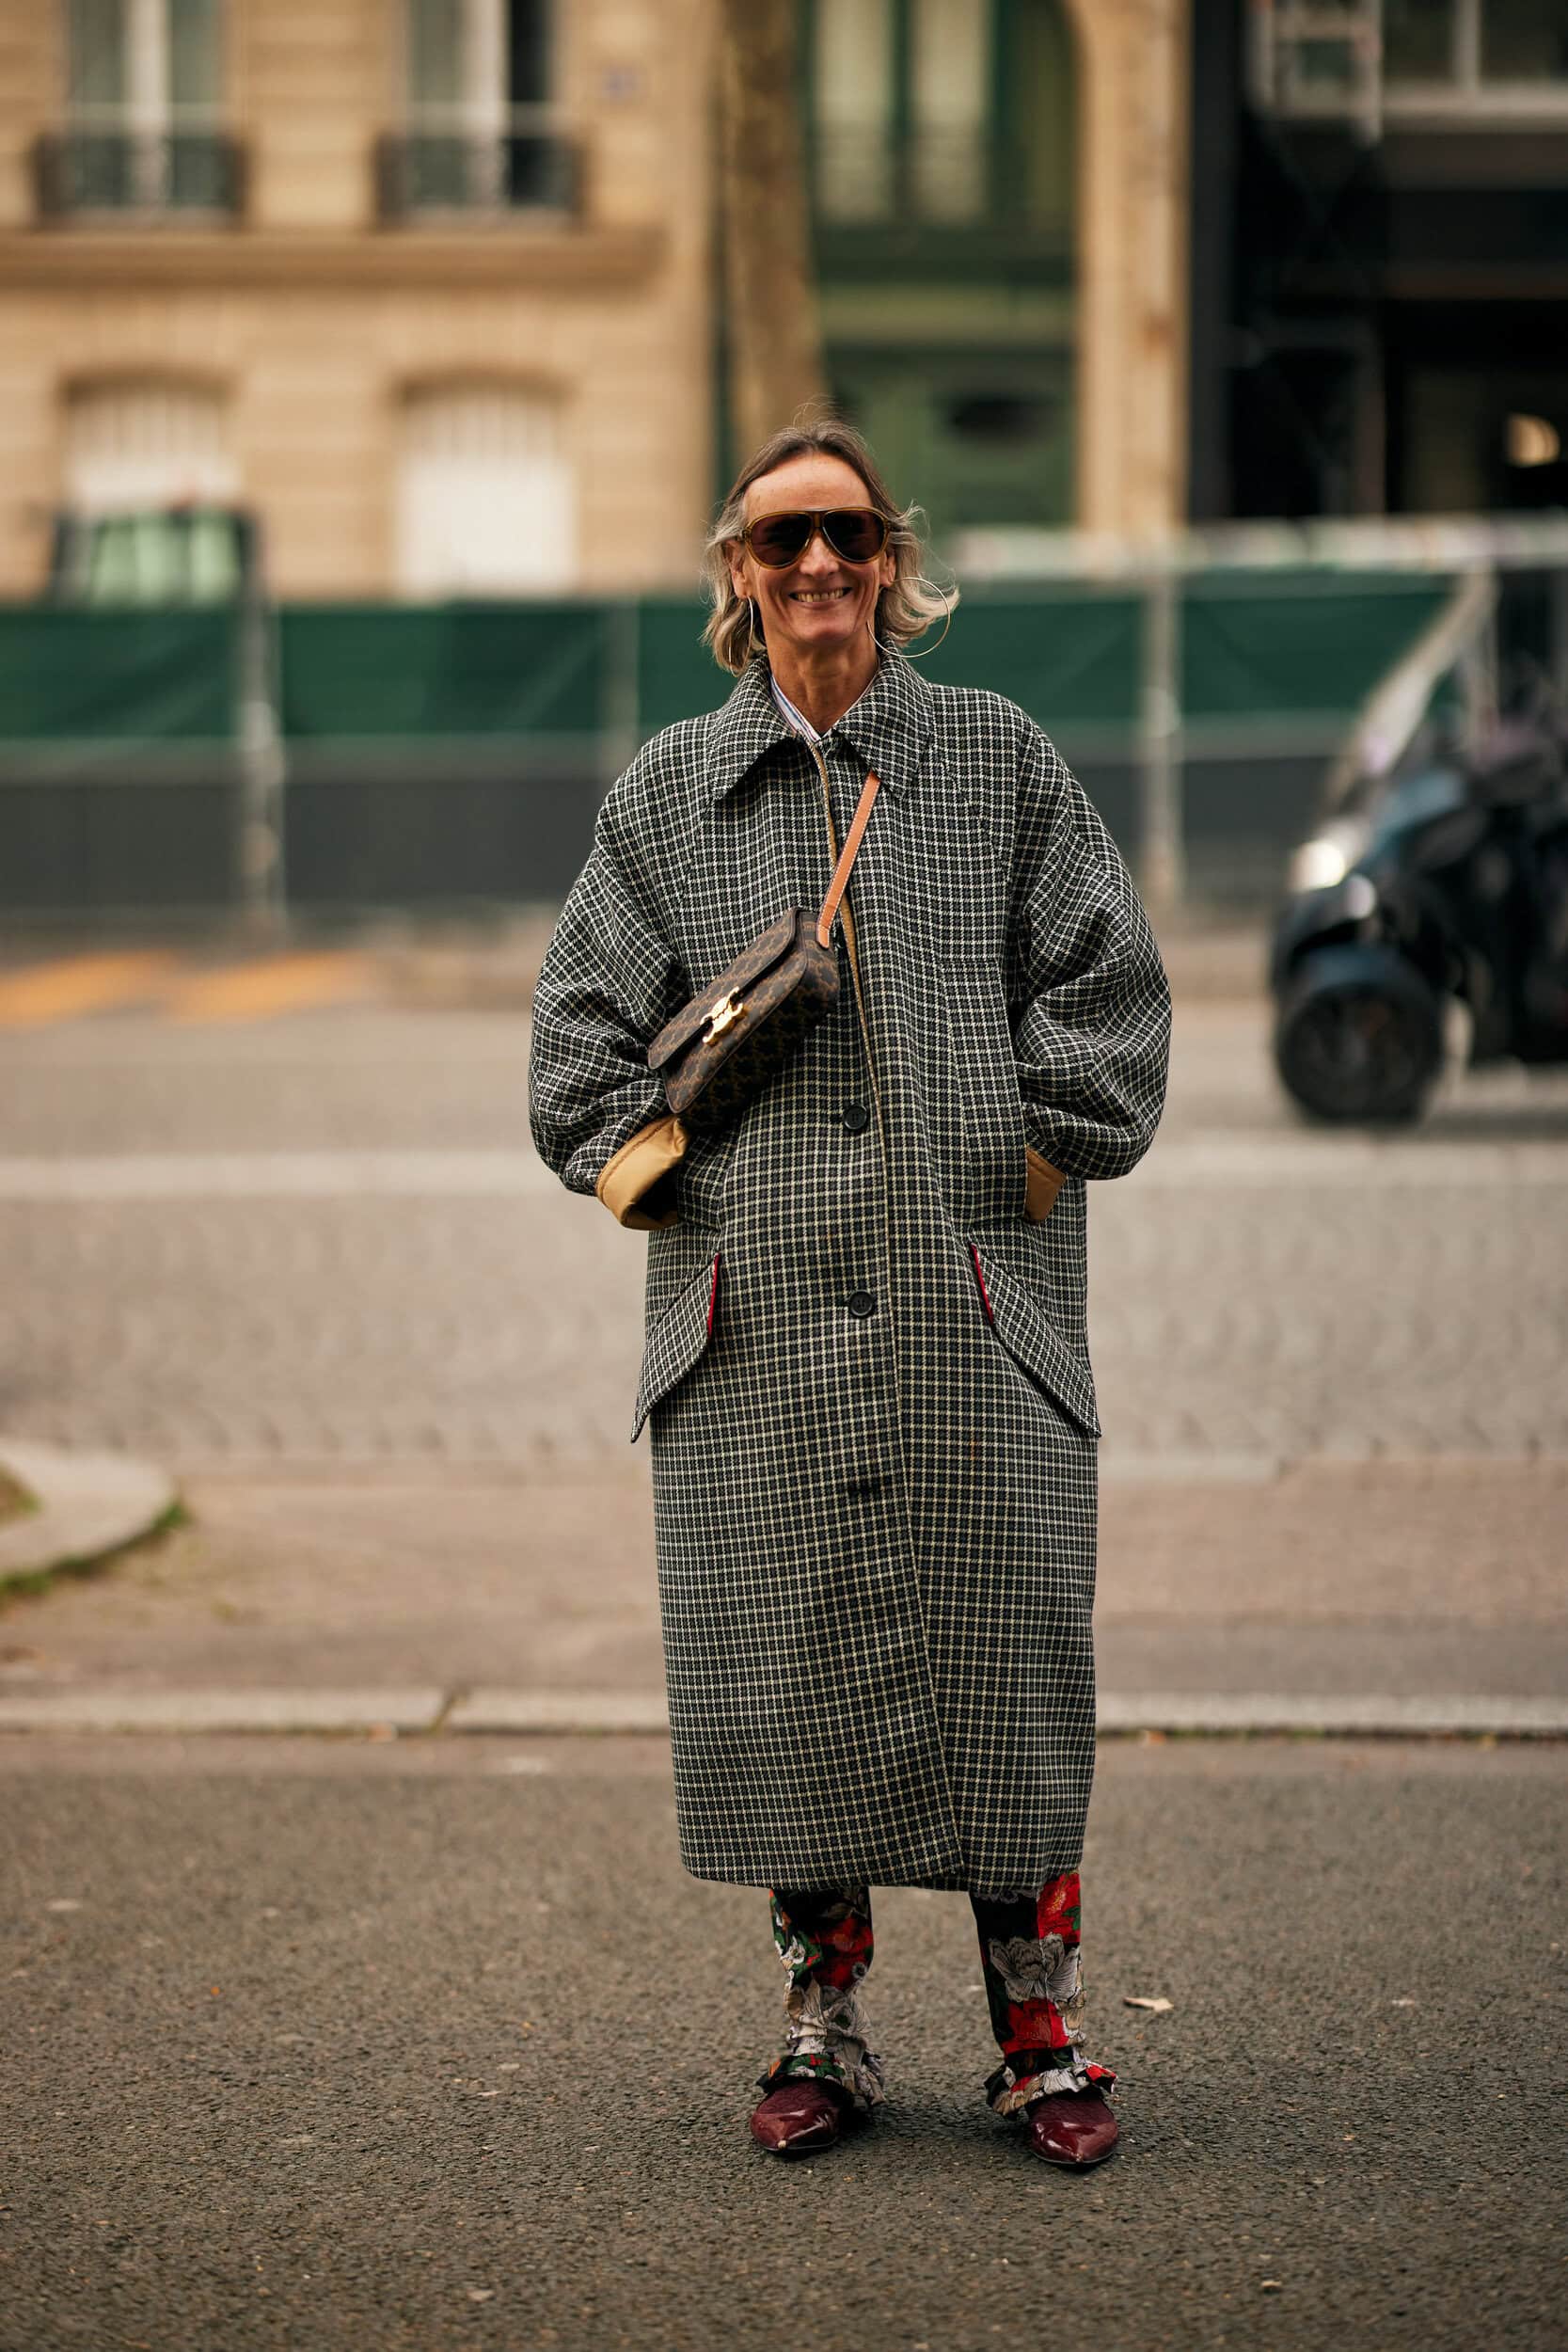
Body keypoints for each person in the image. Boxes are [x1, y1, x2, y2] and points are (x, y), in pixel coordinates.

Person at [529, 419, 1170, 2168]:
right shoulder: (666, 793)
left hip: (979, 1314)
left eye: (850, 534)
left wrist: (1035, 1155)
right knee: (791, 1662)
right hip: (755, 1336)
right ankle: (821, 2009)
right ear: (739, 577)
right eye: (783, 540)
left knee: (1010, 1665)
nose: (820, 566)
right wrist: (671, 1185)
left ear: (894, 559)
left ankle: (1040, 2027)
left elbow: (1109, 987)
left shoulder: (998, 760)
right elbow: (575, 1044)